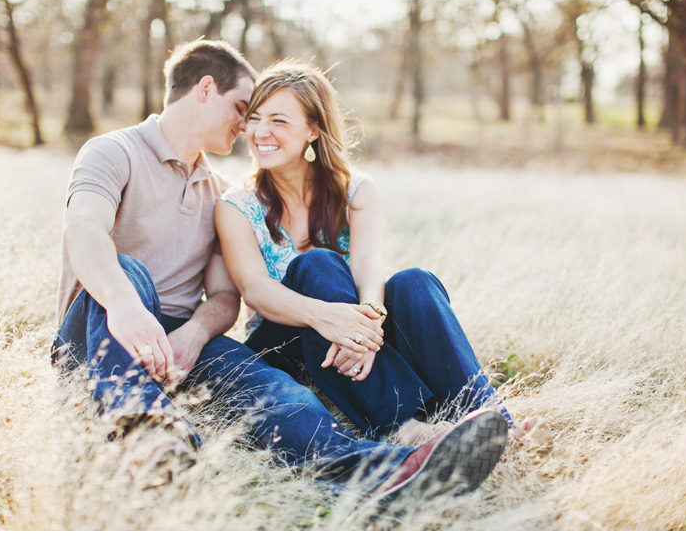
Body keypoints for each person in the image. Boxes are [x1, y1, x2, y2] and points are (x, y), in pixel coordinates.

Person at [51, 41, 508, 517]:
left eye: (264, 115)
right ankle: (153, 441)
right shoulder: (113, 151)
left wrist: (194, 332)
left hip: (181, 348)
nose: (248, 126)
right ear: (205, 89)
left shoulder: (216, 192)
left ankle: (391, 475)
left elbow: (226, 296)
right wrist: (126, 305)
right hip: (99, 328)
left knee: (286, 395)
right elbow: (83, 228)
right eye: (244, 110)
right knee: (128, 272)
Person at [215, 60, 550, 450]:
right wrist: (331, 318)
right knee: (318, 263)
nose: (260, 132)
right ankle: (401, 426)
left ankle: (494, 424)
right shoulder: (236, 205)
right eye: (254, 118)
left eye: (279, 121)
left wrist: (367, 323)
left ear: (313, 130)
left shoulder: (356, 191)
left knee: (414, 283)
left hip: (351, 342)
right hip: (284, 346)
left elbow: (368, 266)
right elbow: (254, 288)